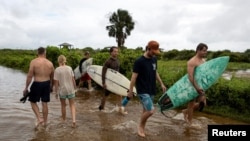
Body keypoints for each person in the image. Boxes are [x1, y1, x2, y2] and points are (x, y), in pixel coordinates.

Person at [127, 40, 166, 137]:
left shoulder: (154, 59)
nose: (154, 54)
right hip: (142, 90)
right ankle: (140, 126)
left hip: (151, 88)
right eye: (153, 52)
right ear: (148, 49)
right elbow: (133, 77)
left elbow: (155, 72)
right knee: (150, 111)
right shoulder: (139, 61)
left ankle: (142, 128)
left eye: (156, 52)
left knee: (145, 110)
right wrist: (130, 91)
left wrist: (161, 83)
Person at [23, 47, 54, 127]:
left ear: (38, 52)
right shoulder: (50, 63)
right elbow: (52, 76)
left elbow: (30, 76)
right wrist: (51, 86)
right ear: (45, 53)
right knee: (45, 103)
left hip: (37, 83)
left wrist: (26, 87)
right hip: (46, 83)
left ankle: (39, 118)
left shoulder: (34, 62)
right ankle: (45, 122)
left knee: (33, 101)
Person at [182, 43, 208, 125]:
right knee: (191, 104)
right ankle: (190, 123)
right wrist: (196, 87)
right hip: (192, 85)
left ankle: (185, 111)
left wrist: (205, 85)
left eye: (206, 51)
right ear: (198, 50)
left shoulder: (203, 61)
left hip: (201, 85)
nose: (205, 52)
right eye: (204, 51)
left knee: (202, 103)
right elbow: (190, 76)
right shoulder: (192, 61)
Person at [54, 55, 77, 128]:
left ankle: (63, 120)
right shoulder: (69, 68)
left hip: (63, 91)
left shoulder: (57, 70)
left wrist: (56, 92)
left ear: (59, 61)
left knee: (63, 106)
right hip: (70, 90)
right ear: (65, 60)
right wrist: (75, 88)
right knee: (72, 105)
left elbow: (56, 83)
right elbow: (73, 79)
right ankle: (73, 121)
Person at [98, 46, 124, 112]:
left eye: (117, 52)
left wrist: (119, 80)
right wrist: (104, 82)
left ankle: (120, 109)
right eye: (114, 51)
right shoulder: (108, 62)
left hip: (116, 81)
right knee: (105, 96)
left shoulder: (118, 60)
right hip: (108, 81)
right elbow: (103, 73)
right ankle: (101, 109)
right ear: (111, 52)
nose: (116, 53)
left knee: (119, 94)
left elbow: (118, 72)